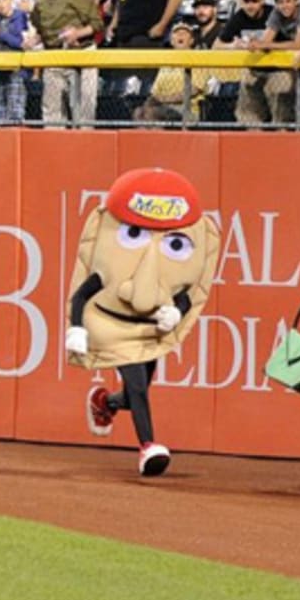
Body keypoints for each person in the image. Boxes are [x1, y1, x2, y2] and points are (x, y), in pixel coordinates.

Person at [68, 168, 220, 476]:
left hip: (148, 329)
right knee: (137, 384)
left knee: (137, 390)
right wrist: (76, 327)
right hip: (114, 327)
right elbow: (83, 294)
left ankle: (107, 403)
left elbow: (185, 295)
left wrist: (177, 312)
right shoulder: (109, 268)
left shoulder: (169, 270)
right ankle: (148, 446)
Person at [30, 0, 102, 126]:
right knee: (52, 111)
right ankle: (54, 148)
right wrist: (34, 40)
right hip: (54, 56)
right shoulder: (40, 1)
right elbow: (39, 27)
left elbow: (98, 24)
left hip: (81, 54)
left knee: (83, 109)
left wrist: (78, 33)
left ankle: (86, 145)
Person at [237, 0, 300, 125]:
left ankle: (286, 132)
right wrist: (254, 44)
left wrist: (267, 44)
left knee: (284, 91)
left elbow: (298, 44)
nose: (284, 6)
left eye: (288, 1)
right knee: (249, 80)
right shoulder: (276, 13)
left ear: (296, 0)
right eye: (280, 2)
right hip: (295, 60)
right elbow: (267, 39)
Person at [0, 0, 33, 123]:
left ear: (11, 0)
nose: (0, 4)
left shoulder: (19, 16)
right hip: (2, 69)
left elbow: (20, 43)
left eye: (4, 0)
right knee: (1, 109)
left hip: (17, 70)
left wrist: (0, 33)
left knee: (15, 111)